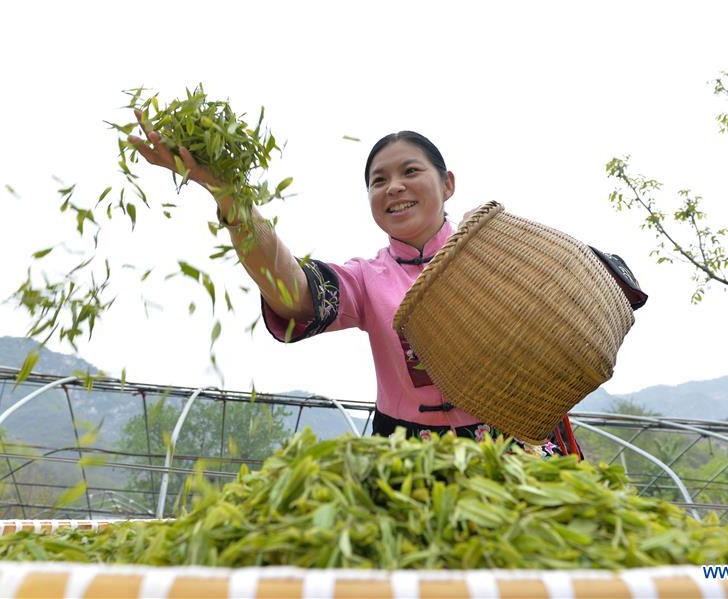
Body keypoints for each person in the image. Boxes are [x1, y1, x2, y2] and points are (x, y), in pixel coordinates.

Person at [129, 118, 584, 458]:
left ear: (447, 184)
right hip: (405, 459)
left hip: (513, 449)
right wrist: (226, 192)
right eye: (378, 181)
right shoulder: (367, 279)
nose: (394, 187)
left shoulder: (496, 251)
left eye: (410, 172)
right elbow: (291, 291)